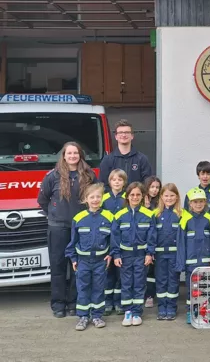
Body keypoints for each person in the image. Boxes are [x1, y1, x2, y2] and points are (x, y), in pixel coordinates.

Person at [37, 141, 97, 318]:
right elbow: (43, 200)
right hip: (58, 228)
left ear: (80, 155)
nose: (72, 156)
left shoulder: (89, 175)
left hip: (81, 228)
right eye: (69, 153)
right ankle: (58, 304)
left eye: (75, 153)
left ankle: (74, 302)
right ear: (63, 155)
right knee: (58, 266)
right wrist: (54, 214)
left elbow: (96, 196)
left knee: (78, 266)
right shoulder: (52, 176)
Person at [65, 183, 114, 331]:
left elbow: (114, 240)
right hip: (83, 261)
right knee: (83, 288)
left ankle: (97, 316)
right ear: (85, 199)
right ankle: (83, 317)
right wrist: (73, 259)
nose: (95, 200)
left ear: (102, 198)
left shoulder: (109, 217)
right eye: (91, 197)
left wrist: (111, 254)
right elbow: (73, 242)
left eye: (98, 196)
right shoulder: (78, 218)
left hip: (100, 261)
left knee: (99, 288)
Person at [111, 182, 156, 327]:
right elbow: (115, 237)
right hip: (125, 256)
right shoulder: (119, 215)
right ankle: (127, 312)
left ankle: (137, 312)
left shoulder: (149, 215)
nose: (135, 197)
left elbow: (152, 236)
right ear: (127, 196)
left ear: (142, 196)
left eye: (138, 194)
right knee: (126, 284)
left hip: (141, 256)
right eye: (132, 195)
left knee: (139, 283)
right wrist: (116, 255)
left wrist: (150, 253)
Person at [175, 188, 210, 324]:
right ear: (190, 204)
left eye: (201, 202)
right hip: (191, 263)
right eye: (195, 202)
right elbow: (181, 244)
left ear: (205, 202)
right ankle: (191, 312)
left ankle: (204, 312)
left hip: (206, 262)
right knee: (191, 289)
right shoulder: (185, 220)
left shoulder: (209, 219)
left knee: (206, 287)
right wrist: (181, 264)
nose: (198, 204)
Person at [101, 169, 128, 316]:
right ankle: (107, 302)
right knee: (107, 273)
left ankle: (118, 302)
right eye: (114, 179)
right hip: (105, 241)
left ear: (124, 182)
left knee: (120, 274)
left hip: (122, 241)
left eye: (120, 180)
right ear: (109, 182)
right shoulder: (103, 198)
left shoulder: (127, 198)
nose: (117, 182)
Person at [154, 184, 183, 321]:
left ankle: (171, 307)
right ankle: (162, 307)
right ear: (161, 197)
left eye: (172, 195)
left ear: (176, 197)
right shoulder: (156, 214)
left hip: (174, 255)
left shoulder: (182, 214)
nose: (169, 198)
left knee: (173, 281)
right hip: (159, 255)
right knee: (161, 281)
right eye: (166, 195)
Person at [98, 119, 152, 188]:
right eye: (120, 132)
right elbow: (102, 184)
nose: (123, 135)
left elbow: (147, 183)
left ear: (132, 136)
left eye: (127, 132)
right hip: (115, 198)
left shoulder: (142, 159)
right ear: (116, 136)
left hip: (136, 198)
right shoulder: (107, 160)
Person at [144, 175, 162, 309]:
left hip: (155, 241)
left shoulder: (159, 203)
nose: (155, 190)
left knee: (152, 271)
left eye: (157, 187)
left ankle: (150, 296)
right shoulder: (140, 200)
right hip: (141, 240)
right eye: (152, 187)